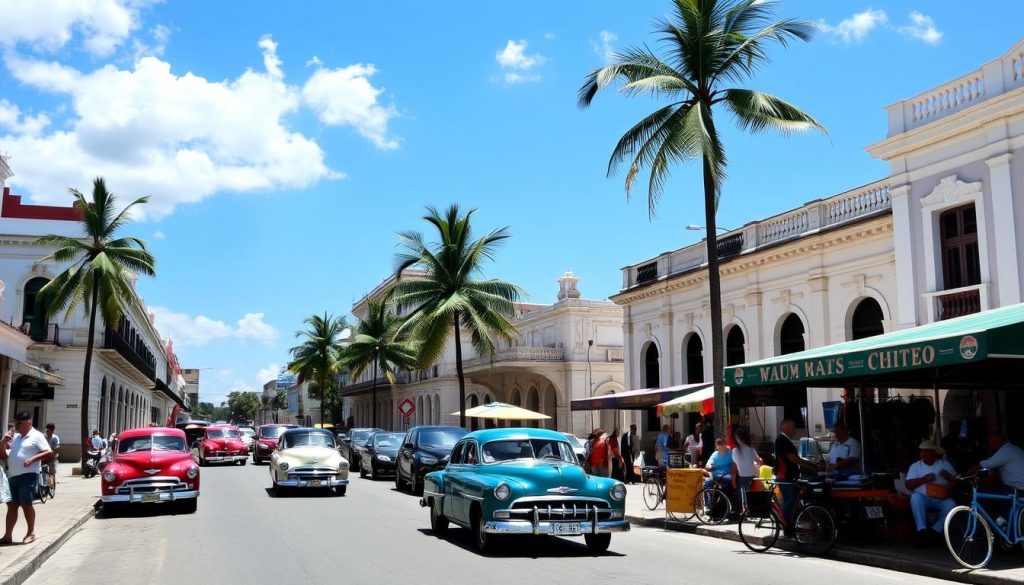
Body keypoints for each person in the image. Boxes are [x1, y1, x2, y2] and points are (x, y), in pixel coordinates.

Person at [0, 412, 52, 545]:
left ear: (28, 423)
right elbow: (4, 457)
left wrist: (32, 459)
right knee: (11, 506)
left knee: (26, 504)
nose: (16, 425)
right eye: (15, 422)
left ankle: (31, 533)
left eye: (19, 423)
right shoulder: (17, 438)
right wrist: (3, 443)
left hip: (28, 475)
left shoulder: (36, 435)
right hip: (12, 475)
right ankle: (7, 535)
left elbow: (48, 451)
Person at [905, 440, 956, 545]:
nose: (923, 454)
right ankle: (921, 530)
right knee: (915, 497)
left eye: (926, 451)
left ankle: (935, 531)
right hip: (924, 498)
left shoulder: (944, 464)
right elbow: (908, 485)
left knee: (951, 504)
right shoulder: (915, 466)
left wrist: (948, 477)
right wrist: (923, 479)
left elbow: (957, 482)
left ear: (934, 452)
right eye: (921, 451)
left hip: (941, 499)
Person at [774, 419, 818, 535]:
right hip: (785, 476)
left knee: (791, 501)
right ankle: (787, 527)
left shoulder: (786, 440)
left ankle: (790, 524)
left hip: (788, 475)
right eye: (792, 427)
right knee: (789, 501)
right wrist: (810, 466)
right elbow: (793, 458)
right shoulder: (782, 440)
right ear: (785, 428)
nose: (794, 430)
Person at [731, 428, 762, 512]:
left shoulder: (735, 450)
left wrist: (733, 478)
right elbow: (758, 460)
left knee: (742, 493)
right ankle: (750, 509)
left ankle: (744, 510)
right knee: (750, 492)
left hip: (743, 475)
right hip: (752, 473)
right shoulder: (750, 448)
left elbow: (735, 465)